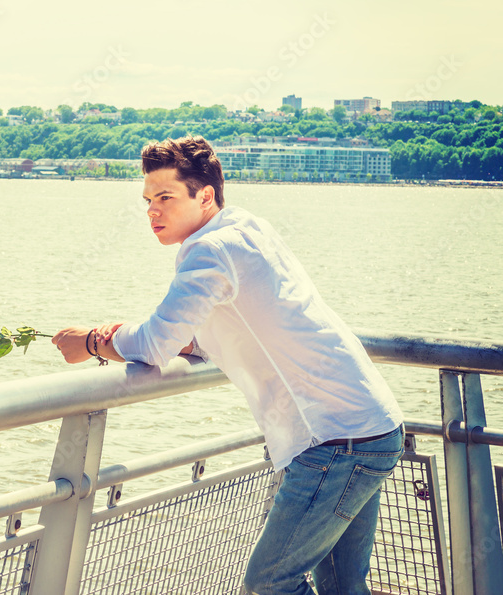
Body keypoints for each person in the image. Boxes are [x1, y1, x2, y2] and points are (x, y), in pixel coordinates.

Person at [51, 136, 403, 595]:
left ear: (205, 195)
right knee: (341, 585)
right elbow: (244, 318)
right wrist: (183, 340)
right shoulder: (247, 229)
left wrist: (95, 342)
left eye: (165, 198)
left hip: (336, 440)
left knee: (268, 585)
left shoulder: (210, 250)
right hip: (369, 425)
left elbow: (156, 343)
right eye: (147, 200)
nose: (152, 211)